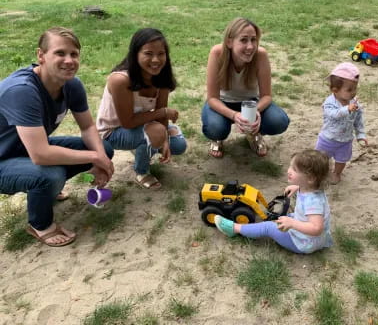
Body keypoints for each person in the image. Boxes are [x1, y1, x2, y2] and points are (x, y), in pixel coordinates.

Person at [0, 27, 114, 247]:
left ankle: (46, 188)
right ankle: (40, 225)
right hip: (5, 156)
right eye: (60, 53)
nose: (69, 60)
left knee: (104, 149)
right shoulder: (22, 90)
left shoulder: (72, 85)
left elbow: (88, 126)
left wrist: (100, 158)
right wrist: (94, 157)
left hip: (24, 148)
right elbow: (41, 154)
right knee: (49, 174)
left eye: (74, 54)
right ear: (41, 56)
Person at [96, 28, 187, 189]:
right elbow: (128, 122)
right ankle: (142, 171)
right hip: (113, 132)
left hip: (143, 125)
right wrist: (162, 116)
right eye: (148, 53)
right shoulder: (120, 80)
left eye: (161, 53)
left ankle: (143, 144)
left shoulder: (161, 77)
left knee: (178, 145)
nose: (156, 60)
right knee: (157, 132)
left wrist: (165, 138)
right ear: (135, 54)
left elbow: (161, 118)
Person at [201, 17, 290, 158]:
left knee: (278, 121)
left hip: (250, 103)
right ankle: (217, 138)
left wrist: (256, 111)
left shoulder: (260, 55)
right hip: (222, 103)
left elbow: (266, 96)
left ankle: (254, 134)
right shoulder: (217, 53)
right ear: (229, 42)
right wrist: (234, 115)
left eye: (253, 40)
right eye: (243, 40)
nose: (250, 46)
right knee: (215, 128)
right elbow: (212, 98)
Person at [214, 150, 332, 254]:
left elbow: (316, 228)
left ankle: (234, 229)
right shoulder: (310, 188)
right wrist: (297, 187)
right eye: (290, 166)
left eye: (295, 170)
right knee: (282, 217)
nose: (289, 171)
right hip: (309, 236)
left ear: (310, 179)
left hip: (303, 243)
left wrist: (292, 223)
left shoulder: (313, 202)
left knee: (268, 227)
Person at [314, 62, 367, 184]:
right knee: (320, 159)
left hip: (345, 140)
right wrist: (346, 109)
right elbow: (333, 115)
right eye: (349, 89)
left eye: (355, 88)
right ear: (335, 90)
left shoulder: (354, 103)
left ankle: (336, 173)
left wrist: (361, 135)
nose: (353, 92)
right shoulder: (329, 103)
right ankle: (319, 173)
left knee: (342, 160)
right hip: (327, 139)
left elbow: (358, 120)